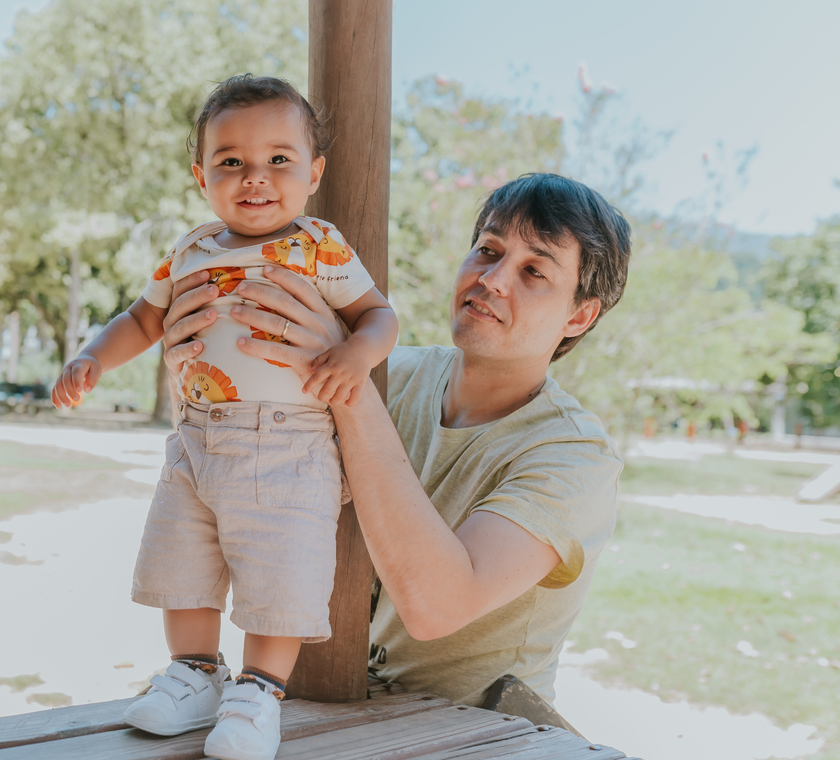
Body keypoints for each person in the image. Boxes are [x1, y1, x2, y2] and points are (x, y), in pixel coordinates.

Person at [162, 172, 631, 709]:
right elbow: (237, 476)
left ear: (579, 315)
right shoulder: (397, 374)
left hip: (474, 731)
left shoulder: (576, 458)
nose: (494, 279)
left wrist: (345, 382)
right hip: (333, 700)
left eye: (534, 271)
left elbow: (436, 607)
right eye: (487, 249)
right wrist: (196, 368)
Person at [51, 74, 398, 760]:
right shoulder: (190, 250)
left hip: (288, 443)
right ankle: (195, 673)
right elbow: (141, 318)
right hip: (195, 439)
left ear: (314, 172)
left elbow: (378, 315)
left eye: (279, 159)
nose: (255, 177)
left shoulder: (319, 245)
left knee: (280, 566)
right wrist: (92, 357)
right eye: (231, 161)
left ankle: (259, 691)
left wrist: (357, 354)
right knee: (184, 560)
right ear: (200, 176)